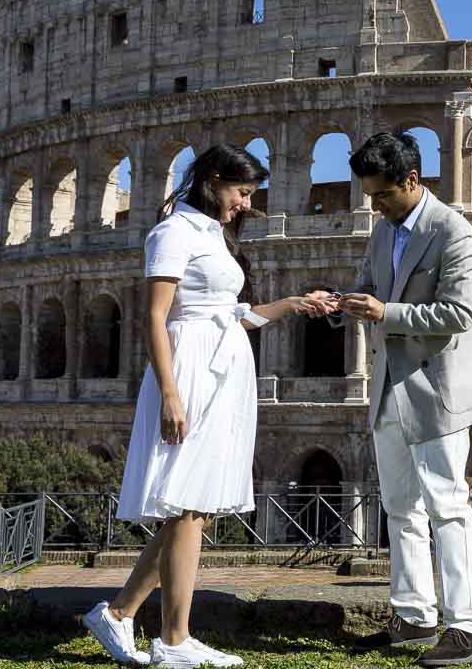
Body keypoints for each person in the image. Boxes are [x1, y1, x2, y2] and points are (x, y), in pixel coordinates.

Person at [82, 144, 321, 668]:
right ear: (213, 179)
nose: (246, 204)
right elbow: (154, 315)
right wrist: (170, 392)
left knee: (195, 509)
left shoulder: (213, 235)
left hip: (223, 371)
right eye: (242, 192)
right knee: (188, 506)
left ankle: (120, 615)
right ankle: (172, 640)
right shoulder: (172, 232)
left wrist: (295, 304)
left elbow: (229, 315)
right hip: (189, 371)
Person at [311, 132, 472, 667]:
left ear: (412, 181)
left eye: (382, 195)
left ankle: (466, 626)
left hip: (436, 391)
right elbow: (369, 288)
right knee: (400, 508)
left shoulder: (455, 233)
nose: (375, 205)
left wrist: (383, 312)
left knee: (448, 508)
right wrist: (340, 303)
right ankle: (413, 616)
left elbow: (458, 316)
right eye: (370, 196)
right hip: (388, 386)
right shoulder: (382, 231)